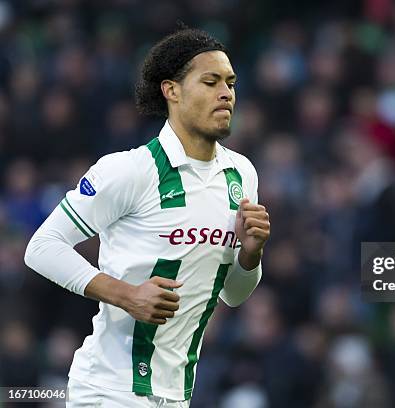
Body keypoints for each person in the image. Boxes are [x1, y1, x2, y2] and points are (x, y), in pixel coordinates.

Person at [24, 28, 270, 407]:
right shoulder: (130, 170)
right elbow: (41, 247)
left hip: (176, 395)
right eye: (211, 81)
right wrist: (127, 295)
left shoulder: (241, 175)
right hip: (108, 391)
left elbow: (234, 294)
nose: (226, 93)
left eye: (231, 83)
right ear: (171, 90)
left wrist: (250, 254)